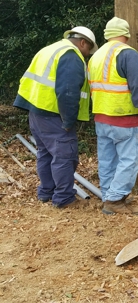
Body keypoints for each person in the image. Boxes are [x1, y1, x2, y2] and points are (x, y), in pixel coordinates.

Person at [13, 26, 98, 209]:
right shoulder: (71, 56)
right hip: (54, 114)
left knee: (45, 154)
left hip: (37, 111)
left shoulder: (50, 49)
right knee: (64, 156)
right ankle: (64, 198)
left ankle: (46, 192)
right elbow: (67, 92)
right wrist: (68, 120)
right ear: (83, 43)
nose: (87, 55)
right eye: (88, 51)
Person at [88, 16, 138, 215]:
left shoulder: (95, 57)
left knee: (107, 159)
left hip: (101, 117)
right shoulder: (128, 54)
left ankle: (109, 195)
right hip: (124, 117)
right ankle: (115, 200)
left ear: (107, 34)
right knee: (130, 159)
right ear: (126, 34)